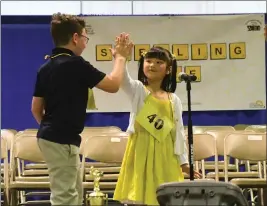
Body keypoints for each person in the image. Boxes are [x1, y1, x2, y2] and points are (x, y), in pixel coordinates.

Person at [31, 12, 133, 206]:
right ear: (75, 38)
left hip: (51, 137)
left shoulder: (45, 67)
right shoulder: (76, 64)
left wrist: (50, 129)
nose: (86, 42)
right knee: (65, 197)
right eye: (85, 37)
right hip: (61, 139)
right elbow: (112, 85)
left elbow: (36, 108)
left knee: (74, 194)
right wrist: (120, 57)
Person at [112, 46, 202, 205]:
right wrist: (121, 58)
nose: (152, 65)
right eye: (148, 61)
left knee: (166, 198)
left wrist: (184, 163)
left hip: (167, 154)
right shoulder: (138, 91)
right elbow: (124, 80)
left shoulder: (174, 99)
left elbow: (178, 133)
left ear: (168, 69)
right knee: (141, 197)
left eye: (159, 62)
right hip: (141, 151)